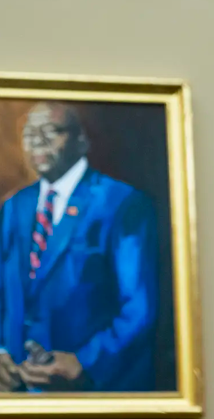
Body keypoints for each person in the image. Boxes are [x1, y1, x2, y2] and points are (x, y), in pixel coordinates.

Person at [0, 101, 158, 392]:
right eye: (29, 134)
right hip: (16, 391)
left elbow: (139, 309)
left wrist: (85, 363)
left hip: (88, 391)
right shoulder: (14, 206)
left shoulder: (122, 203)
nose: (37, 140)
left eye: (51, 130)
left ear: (81, 141)